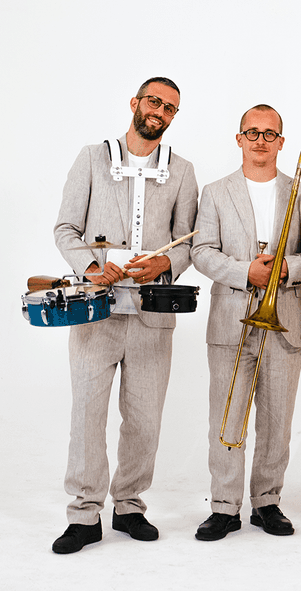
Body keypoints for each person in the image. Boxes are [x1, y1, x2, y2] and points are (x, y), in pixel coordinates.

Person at [51, 77, 198, 554]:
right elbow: (65, 228)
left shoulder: (181, 170)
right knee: (88, 415)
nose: (159, 110)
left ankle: (129, 505)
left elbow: (190, 240)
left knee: (144, 418)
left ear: (173, 116)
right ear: (135, 103)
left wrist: (166, 262)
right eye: (153, 101)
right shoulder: (92, 158)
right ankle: (84, 513)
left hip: (153, 316)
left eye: (169, 107)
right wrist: (92, 268)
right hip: (98, 312)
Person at [190, 104, 301, 541]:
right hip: (231, 319)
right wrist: (247, 272)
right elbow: (202, 252)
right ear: (238, 139)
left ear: (282, 141)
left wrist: (284, 270)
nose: (261, 140)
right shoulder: (216, 192)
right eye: (252, 132)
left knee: (277, 419)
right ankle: (224, 506)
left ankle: (267, 502)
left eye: (270, 133)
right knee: (228, 416)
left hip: (287, 316)